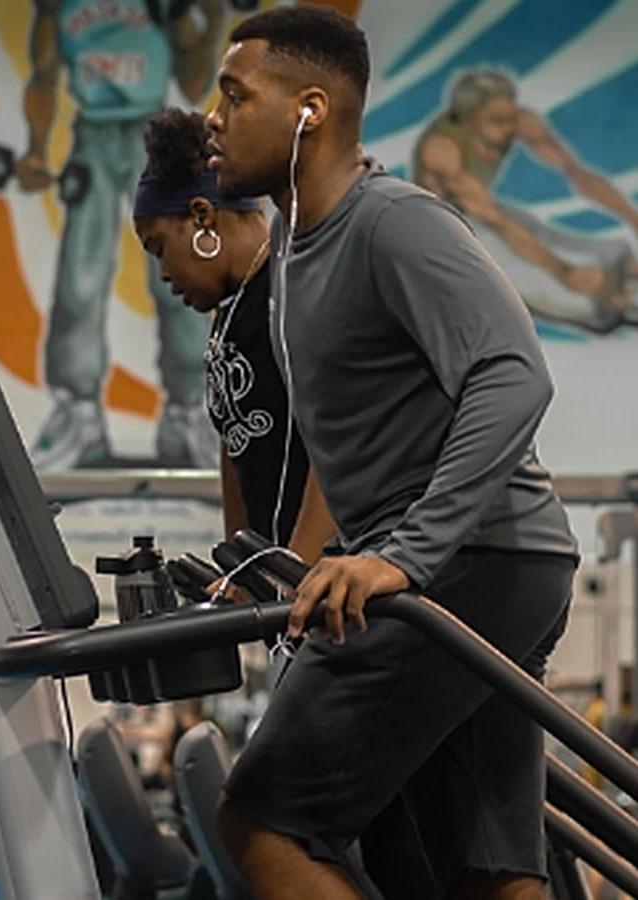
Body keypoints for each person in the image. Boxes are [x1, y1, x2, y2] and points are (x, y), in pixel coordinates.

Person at [205, 8, 579, 899]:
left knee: (264, 825)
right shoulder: (300, 251)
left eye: (234, 95)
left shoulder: (394, 223)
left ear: (309, 111)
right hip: (498, 562)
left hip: (473, 563)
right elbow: (365, 440)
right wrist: (312, 559)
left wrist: (401, 557)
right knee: (488, 869)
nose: (213, 118)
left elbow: (515, 375)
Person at [16, 0, 224, 469]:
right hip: (93, 134)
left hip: (155, 137)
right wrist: (34, 151)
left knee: (179, 277)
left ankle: (188, 413)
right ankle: (79, 413)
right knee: (80, 278)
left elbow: (193, 80)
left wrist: (208, 20)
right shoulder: (60, 7)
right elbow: (43, 76)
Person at [133, 106, 335, 562]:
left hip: (321, 577)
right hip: (278, 579)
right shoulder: (232, 313)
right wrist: (239, 564)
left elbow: (338, 444)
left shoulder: (292, 292)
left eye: (160, 248)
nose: (163, 273)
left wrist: (297, 571)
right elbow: (236, 442)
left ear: (203, 216)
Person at [414, 68, 638, 334]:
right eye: (497, 120)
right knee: (579, 300)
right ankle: (615, 303)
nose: (510, 127)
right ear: (468, 120)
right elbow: (494, 221)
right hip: (448, 232)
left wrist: (633, 218)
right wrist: (564, 272)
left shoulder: (521, 122)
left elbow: (577, 174)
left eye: (511, 116)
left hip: (488, 213)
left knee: (612, 256)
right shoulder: (442, 149)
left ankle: (619, 289)